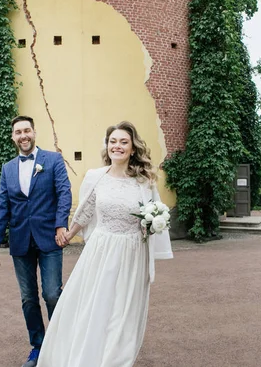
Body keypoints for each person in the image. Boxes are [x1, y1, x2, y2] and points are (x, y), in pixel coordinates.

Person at [37, 121, 173, 367]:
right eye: (113, 141)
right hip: (100, 251)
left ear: (133, 148)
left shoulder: (144, 182)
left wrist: (151, 224)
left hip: (132, 253)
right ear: (107, 146)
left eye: (123, 142)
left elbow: (154, 214)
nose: (117, 146)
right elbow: (86, 210)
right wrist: (69, 234)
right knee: (95, 307)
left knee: (123, 313)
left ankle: (115, 360)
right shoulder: (95, 177)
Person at [0, 115, 72, 367]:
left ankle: (61, 344)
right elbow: (2, 205)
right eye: (18, 132)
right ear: (13, 136)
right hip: (21, 240)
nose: (23, 136)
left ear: (34, 132)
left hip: (49, 237)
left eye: (27, 131)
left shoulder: (53, 160)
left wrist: (61, 224)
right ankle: (38, 346)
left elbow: (64, 192)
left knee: (52, 294)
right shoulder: (7, 168)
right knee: (28, 298)